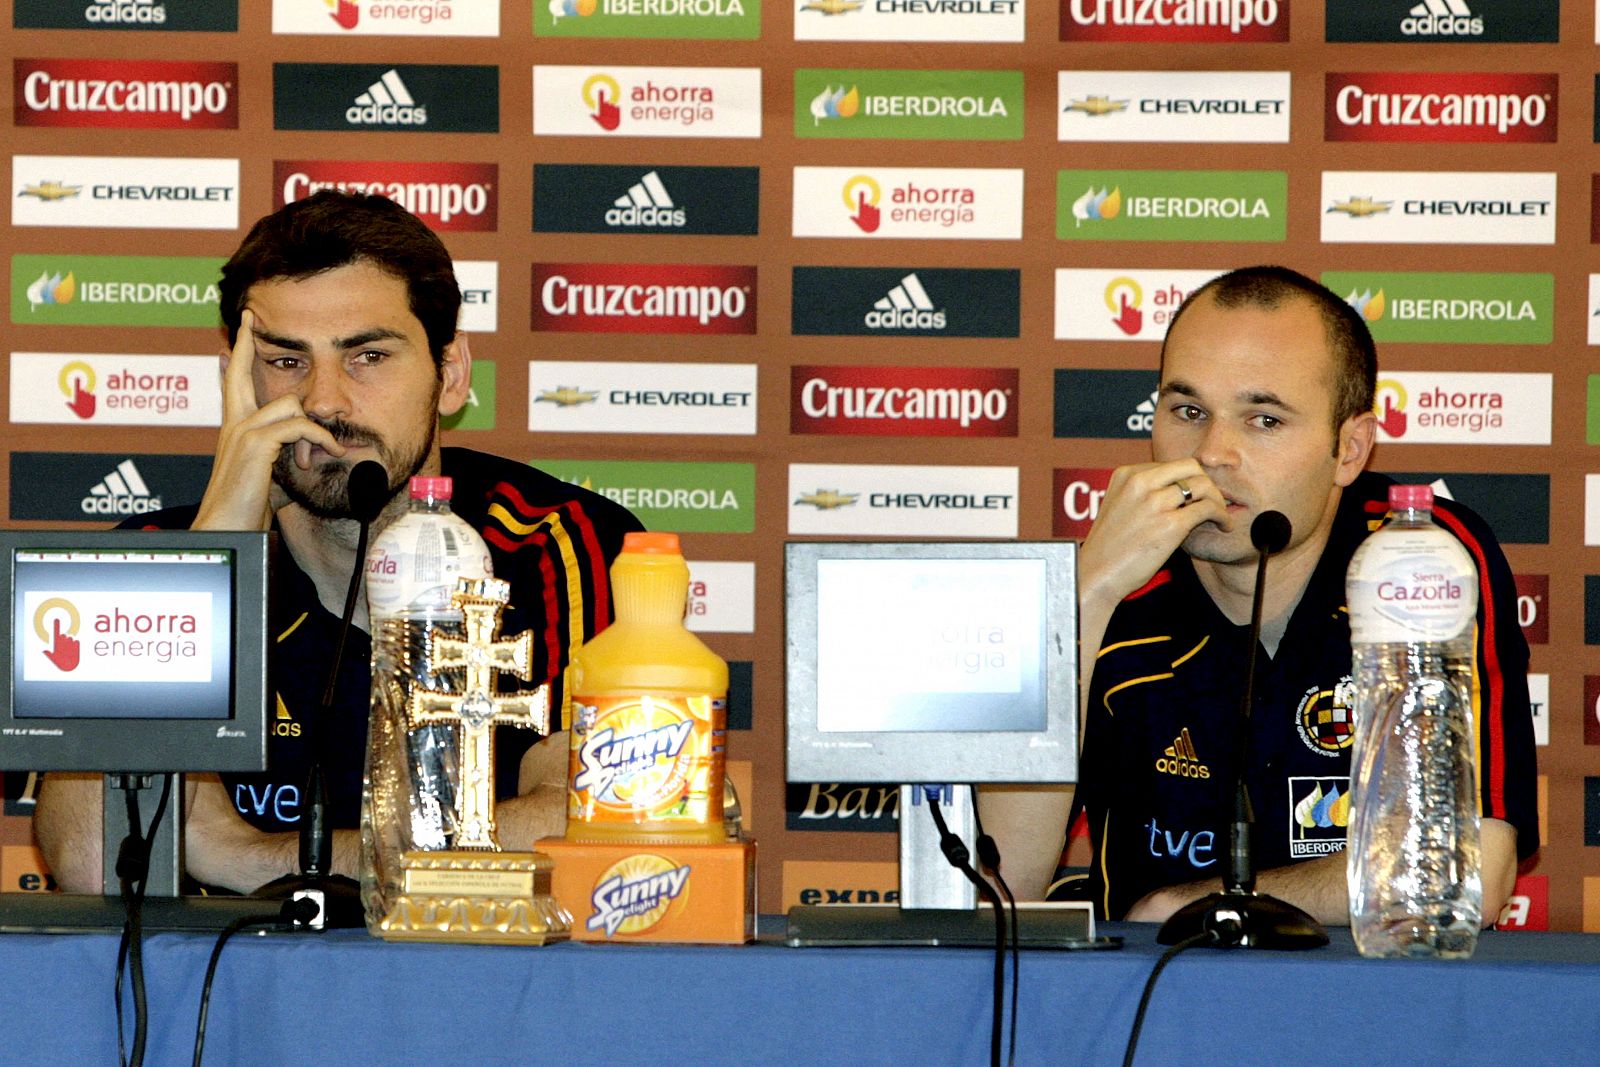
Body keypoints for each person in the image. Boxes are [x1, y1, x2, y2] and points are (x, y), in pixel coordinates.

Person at [35, 191, 642, 894]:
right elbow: (92, 857)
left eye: (368, 356)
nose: (324, 402)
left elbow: (601, 818)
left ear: (449, 375)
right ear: (236, 381)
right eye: (286, 362)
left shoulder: (561, 542)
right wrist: (217, 556)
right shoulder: (161, 555)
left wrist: (244, 855)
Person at [981, 266, 1538, 924]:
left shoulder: (1420, 558)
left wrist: (1186, 906)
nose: (1213, 452)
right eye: (1188, 411)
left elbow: (1462, 872)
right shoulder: (1104, 583)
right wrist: (1086, 594)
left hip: (1379, 1002)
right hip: (1151, 1010)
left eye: (1264, 419)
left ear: (1350, 449)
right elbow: (1000, 888)